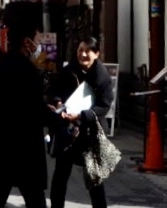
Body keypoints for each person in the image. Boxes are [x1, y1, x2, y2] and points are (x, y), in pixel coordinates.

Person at [0, 2, 50, 208]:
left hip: (0, 145)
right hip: (25, 146)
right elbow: (34, 109)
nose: (38, 44)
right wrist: (57, 117)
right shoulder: (28, 71)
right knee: (35, 199)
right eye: (36, 39)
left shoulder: (0, 67)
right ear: (27, 41)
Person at [48, 37, 115, 208]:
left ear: (97, 54)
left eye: (88, 51)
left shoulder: (102, 77)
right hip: (68, 131)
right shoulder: (68, 70)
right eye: (80, 50)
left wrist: (81, 115)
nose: (83, 54)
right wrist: (57, 102)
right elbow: (53, 90)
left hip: (90, 132)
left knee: (95, 179)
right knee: (60, 175)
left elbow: (104, 107)